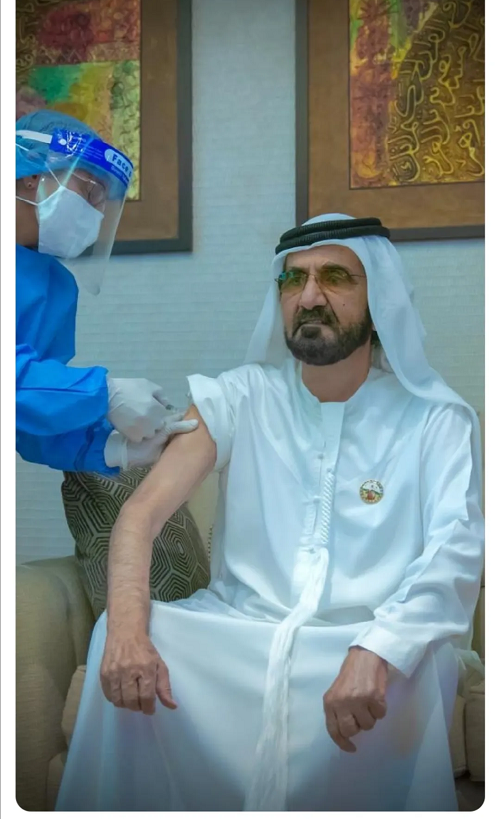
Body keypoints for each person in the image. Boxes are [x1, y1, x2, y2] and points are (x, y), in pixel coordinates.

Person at [56, 213, 484, 812]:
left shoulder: (436, 418)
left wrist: (379, 647)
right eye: (292, 279)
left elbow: (455, 549)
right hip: (239, 635)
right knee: (121, 631)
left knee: (417, 667)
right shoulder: (237, 397)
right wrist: (128, 630)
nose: (308, 297)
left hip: (363, 637)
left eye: (336, 277)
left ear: (379, 296)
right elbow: (140, 516)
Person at [16, 111, 197, 474]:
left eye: (101, 203)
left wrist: (111, 447)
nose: (96, 214)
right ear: (32, 174)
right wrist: (102, 393)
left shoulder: (54, 288)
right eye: (91, 191)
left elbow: (31, 416)